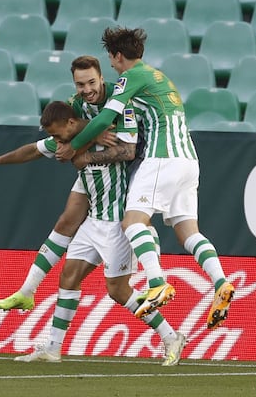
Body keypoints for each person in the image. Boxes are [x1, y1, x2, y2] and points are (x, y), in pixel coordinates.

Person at [0, 100, 186, 366]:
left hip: (117, 224)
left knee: (118, 291)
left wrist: (95, 140)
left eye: (57, 134)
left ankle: (171, 336)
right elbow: (32, 150)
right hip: (93, 221)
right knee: (68, 277)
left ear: (72, 124)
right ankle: (53, 347)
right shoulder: (68, 142)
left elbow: (131, 150)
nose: (55, 140)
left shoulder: (112, 137)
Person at [55, 27, 235, 329]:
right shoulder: (160, 78)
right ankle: (221, 282)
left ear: (118, 55)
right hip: (189, 160)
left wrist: (74, 146)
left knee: (132, 222)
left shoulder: (131, 77)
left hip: (161, 157)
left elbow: (102, 119)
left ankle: (157, 282)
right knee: (188, 233)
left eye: (111, 59)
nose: (111, 65)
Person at [0, 55, 163, 313]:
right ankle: (27, 292)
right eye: (80, 85)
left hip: (125, 168)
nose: (87, 90)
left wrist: (84, 144)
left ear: (101, 78)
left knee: (116, 282)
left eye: (91, 82)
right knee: (66, 222)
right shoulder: (76, 105)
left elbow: (125, 145)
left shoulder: (120, 96)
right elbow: (55, 142)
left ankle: (149, 252)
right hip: (94, 170)